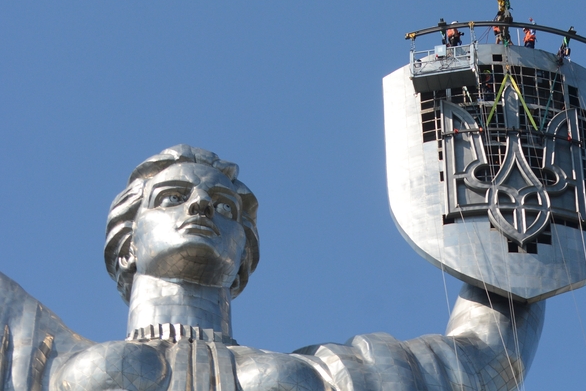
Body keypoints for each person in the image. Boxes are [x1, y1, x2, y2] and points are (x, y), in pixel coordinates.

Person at [0, 145, 544, 391]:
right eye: (171, 197)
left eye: (225, 206)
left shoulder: (329, 377)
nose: (200, 207)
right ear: (126, 246)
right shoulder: (36, 361)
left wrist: (520, 214)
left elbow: (489, 357)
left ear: (243, 257)